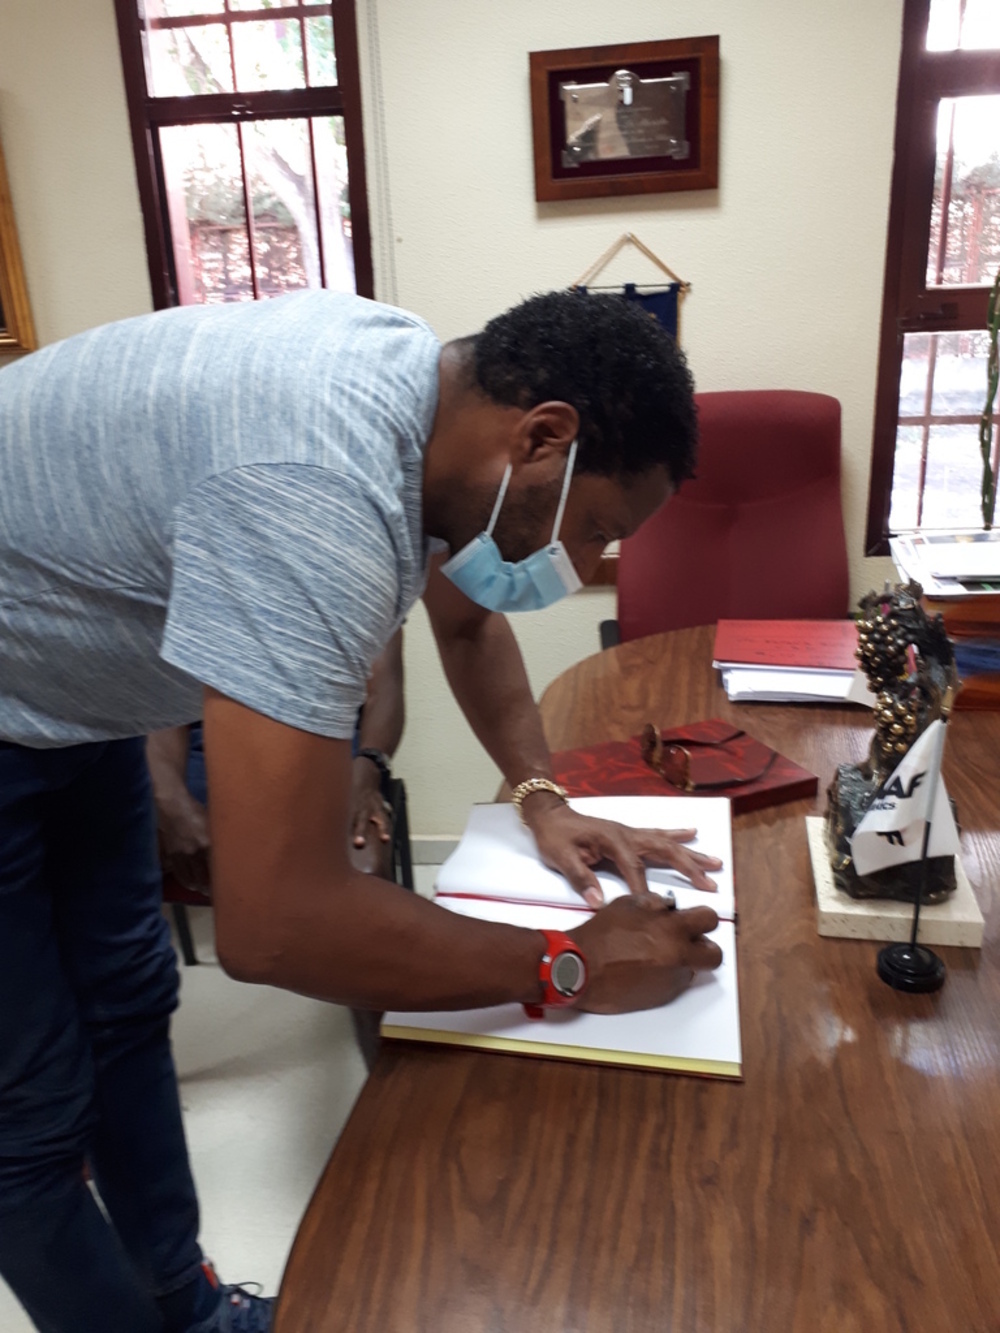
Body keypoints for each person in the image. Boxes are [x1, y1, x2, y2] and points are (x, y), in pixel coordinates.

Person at [0, 288, 723, 1333]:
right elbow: (276, 923)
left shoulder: (424, 399)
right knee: (27, 1108)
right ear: (543, 436)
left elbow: (467, 622)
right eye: (598, 529)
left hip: (66, 695)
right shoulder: (316, 489)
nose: (594, 565)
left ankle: (182, 1308)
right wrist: (568, 960)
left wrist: (541, 796)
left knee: (125, 1006)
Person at [147, 630, 406, 1066]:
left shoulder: (361, 568)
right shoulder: (200, 568)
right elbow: (162, 697)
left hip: (321, 739)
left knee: (360, 864)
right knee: (113, 864)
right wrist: (172, 802)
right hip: (201, 747)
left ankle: (385, 1066)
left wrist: (370, 766)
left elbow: (386, 684)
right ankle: (133, 1067)